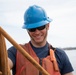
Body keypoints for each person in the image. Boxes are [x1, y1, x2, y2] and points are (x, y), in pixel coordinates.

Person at [8, 5, 74, 75]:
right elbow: (5, 63)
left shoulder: (60, 55)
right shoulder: (15, 51)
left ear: (48, 26)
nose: (37, 32)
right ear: (27, 30)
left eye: (40, 27)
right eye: (32, 29)